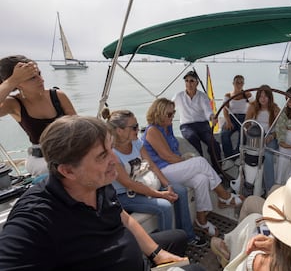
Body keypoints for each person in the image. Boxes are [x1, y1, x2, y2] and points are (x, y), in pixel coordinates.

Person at [0, 115, 204, 270]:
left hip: (134, 258)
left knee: (178, 237)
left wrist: (157, 254)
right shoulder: (35, 218)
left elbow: (123, 217)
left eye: (111, 150)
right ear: (67, 170)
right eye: (102, 156)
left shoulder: (99, 182)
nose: (114, 161)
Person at [102, 108, 206, 247]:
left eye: (138, 125)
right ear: (119, 130)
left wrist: (167, 185)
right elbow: (128, 184)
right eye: (134, 127)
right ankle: (168, 247)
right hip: (125, 195)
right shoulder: (112, 153)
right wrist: (160, 194)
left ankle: (188, 235)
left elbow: (152, 165)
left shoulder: (136, 143)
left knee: (179, 190)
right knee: (165, 206)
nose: (138, 130)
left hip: (147, 182)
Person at [142, 98, 243, 237]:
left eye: (174, 113)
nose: (173, 117)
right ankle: (223, 196)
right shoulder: (152, 131)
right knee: (200, 162)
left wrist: (185, 160)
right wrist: (186, 160)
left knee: (201, 179)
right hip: (163, 171)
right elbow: (167, 157)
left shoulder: (167, 127)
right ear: (159, 114)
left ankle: (201, 220)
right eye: (170, 114)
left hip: (174, 167)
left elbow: (174, 154)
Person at [0, 55, 76, 176]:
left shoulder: (57, 96)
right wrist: (12, 80)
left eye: (39, 74)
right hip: (41, 161)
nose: (41, 80)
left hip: (69, 152)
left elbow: (79, 128)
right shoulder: (14, 104)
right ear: (18, 84)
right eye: (32, 78)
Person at [172, 70, 222, 173]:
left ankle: (218, 170)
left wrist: (212, 117)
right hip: (186, 125)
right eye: (187, 81)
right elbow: (169, 107)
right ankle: (202, 167)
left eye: (191, 81)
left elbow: (208, 111)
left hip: (202, 124)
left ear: (197, 83)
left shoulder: (202, 96)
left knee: (214, 144)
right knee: (192, 138)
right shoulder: (179, 96)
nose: (189, 84)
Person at [245, 85, 280, 195]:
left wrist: (272, 136)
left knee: (268, 156)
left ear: (270, 97)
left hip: (270, 138)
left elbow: (280, 128)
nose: (263, 99)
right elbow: (246, 124)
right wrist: (250, 134)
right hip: (255, 138)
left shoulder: (275, 109)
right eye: (260, 96)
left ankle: (270, 189)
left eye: (265, 96)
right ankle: (249, 185)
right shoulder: (252, 107)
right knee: (249, 155)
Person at [220, 75, 252, 169]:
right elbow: (225, 110)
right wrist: (228, 121)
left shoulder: (248, 95)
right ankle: (229, 158)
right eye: (237, 82)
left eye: (241, 82)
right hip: (231, 117)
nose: (239, 84)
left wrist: (248, 120)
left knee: (244, 132)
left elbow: (254, 107)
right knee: (224, 134)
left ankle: (237, 156)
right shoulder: (228, 95)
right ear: (233, 83)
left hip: (244, 117)